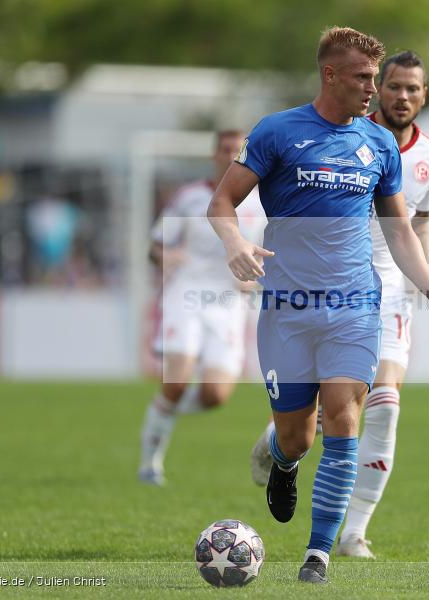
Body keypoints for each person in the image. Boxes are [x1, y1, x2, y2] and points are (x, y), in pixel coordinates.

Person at [208, 27, 429, 584]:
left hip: (355, 306)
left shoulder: (378, 144)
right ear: (330, 75)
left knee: (346, 417)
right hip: (287, 309)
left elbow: (400, 232)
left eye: (377, 77)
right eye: (364, 77)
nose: (373, 88)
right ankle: (284, 458)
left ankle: (318, 554)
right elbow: (221, 201)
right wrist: (236, 242)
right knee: (299, 434)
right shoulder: (278, 132)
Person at [137, 130, 264, 486]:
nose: (230, 156)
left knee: (216, 395)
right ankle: (150, 464)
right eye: (224, 150)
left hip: (228, 301)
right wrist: (167, 255)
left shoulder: (259, 202)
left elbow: (272, 254)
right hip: (187, 292)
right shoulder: (189, 197)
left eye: (237, 151)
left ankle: (160, 413)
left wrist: (254, 278)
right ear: (214, 155)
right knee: (176, 381)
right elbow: (154, 246)